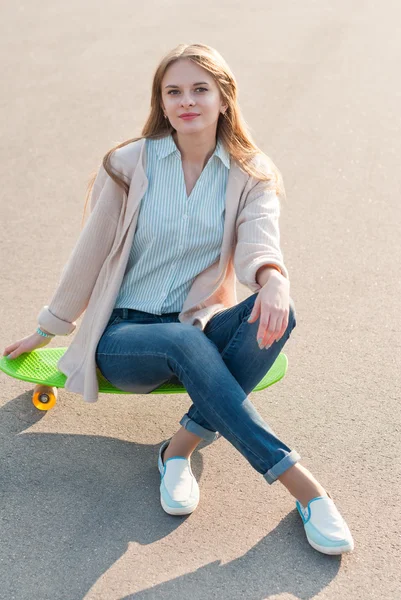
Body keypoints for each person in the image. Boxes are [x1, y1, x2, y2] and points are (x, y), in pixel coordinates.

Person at [3, 43, 354, 555]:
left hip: (196, 325)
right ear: (162, 103)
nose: (186, 101)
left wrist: (275, 280)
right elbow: (90, 251)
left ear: (223, 98)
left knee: (268, 316)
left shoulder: (249, 172)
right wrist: (49, 327)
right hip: (124, 337)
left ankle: (178, 450)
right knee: (182, 344)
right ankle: (305, 489)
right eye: (174, 92)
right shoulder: (130, 163)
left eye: (199, 89)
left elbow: (260, 241)